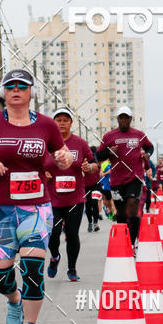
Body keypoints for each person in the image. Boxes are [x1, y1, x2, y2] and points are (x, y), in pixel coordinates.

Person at [0, 68, 72, 324]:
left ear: (31, 92)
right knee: (0, 275)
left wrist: (64, 158)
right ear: (3, 92)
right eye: (10, 85)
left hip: (36, 208)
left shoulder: (47, 125)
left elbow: (62, 156)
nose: (16, 90)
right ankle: (14, 300)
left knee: (33, 267)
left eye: (22, 86)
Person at [45, 108, 97, 282]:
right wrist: (43, 173)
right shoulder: (46, 144)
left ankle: (72, 268)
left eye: (65, 120)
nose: (61, 123)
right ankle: (55, 256)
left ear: (71, 123)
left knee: (72, 234)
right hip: (53, 199)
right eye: (58, 119)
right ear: (53, 123)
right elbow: (37, 166)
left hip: (75, 198)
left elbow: (94, 164)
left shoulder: (80, 143)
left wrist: (89, 167)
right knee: (53, 233)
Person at [97, 106, 153, 249]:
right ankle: (124, 241)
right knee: (121, 214)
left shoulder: (139, 134)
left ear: (130, 119)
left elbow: (150, 147)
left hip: (135, 178)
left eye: (126, 117)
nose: (123, 120)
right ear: (117, 119)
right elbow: (99, 155)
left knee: (133, 207)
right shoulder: (109, 136)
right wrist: (109, 152)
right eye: (121, 117)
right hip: (117, 180)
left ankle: (133, 242)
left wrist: (147, 154)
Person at [84, 146, 101, 233]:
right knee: (87, 205)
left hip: (96, 185)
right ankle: (90, 222)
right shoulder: (83, 161)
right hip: (85, 185)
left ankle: (96, 223)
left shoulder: (96, 160)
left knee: (94, 202)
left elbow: (99, 168)